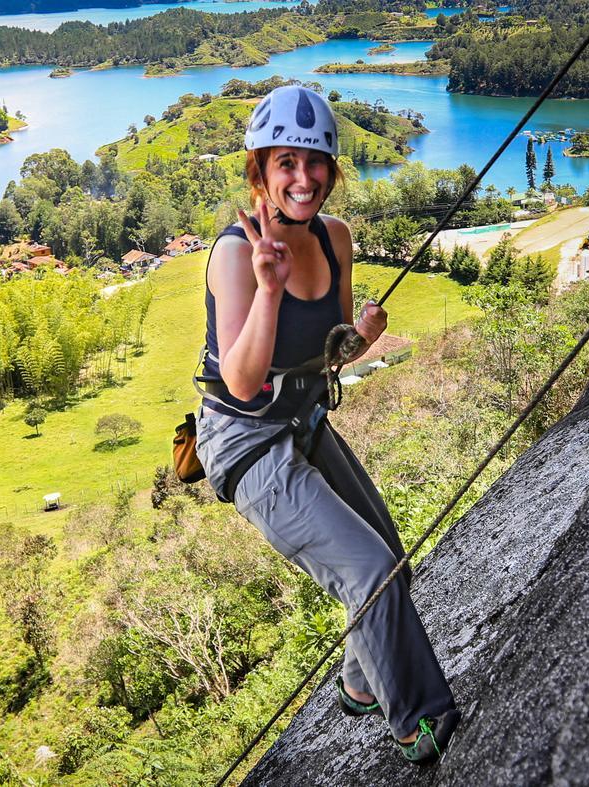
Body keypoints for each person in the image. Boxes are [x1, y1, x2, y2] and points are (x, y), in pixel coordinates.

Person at [193, 85, 459, 763]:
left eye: (314, 163)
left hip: (303, 418)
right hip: (245, 442)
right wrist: (270, 287)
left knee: (388, 553)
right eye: (286, 163)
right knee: (369, 572)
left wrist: (362, 336)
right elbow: (242, 380)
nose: (303, 178)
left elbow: (329, 351)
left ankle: (360, 683)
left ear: (332, 170)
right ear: (260, 171)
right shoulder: (233, 254)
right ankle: (420, 723)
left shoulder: (336, 239)